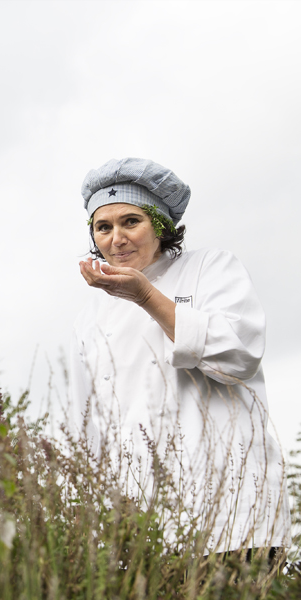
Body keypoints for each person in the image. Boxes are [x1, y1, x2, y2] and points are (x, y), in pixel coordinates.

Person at [68, 157, 290, 555]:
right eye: (104, 227)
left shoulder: (211, 268)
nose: (116, 238)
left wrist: (145, 296)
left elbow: (238, 356)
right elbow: (91, 427)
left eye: (130, 221)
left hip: (233, 517)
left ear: (161, 225)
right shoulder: (91, 316)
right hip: (146, 533)